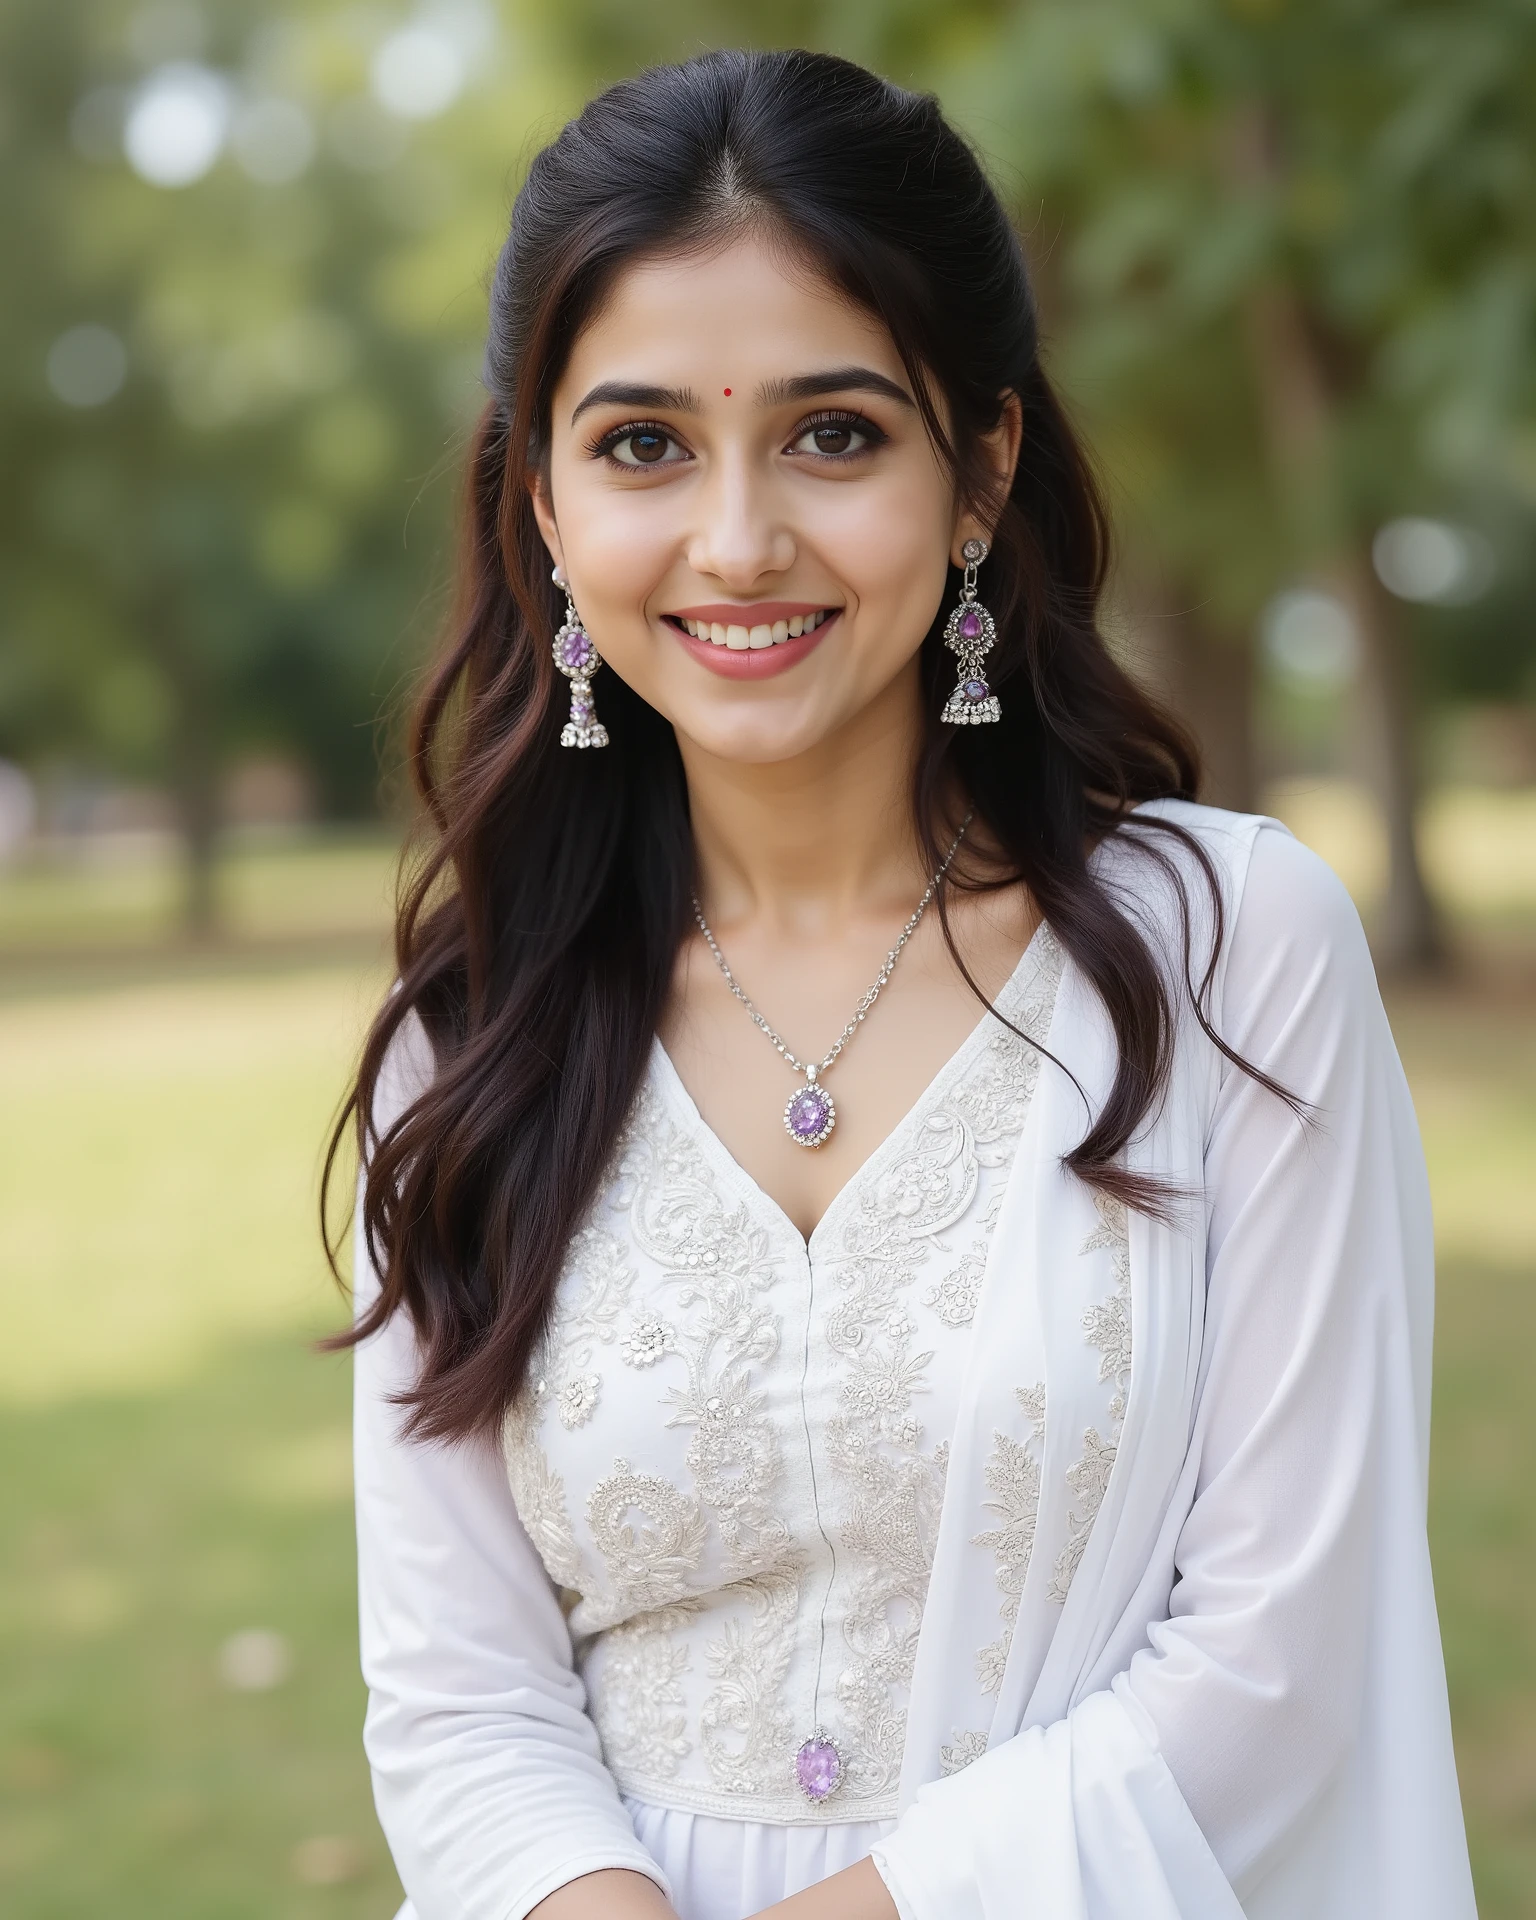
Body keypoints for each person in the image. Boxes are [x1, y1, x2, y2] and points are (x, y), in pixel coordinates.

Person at [332, 48, 1476, 1920]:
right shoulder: (478, 1038)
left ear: (983, 468)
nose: (735, 539)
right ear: (539, 501)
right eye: (641, 445)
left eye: (834, 433)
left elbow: (1287, 1644)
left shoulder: (1227, 953)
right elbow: (460, 1702)